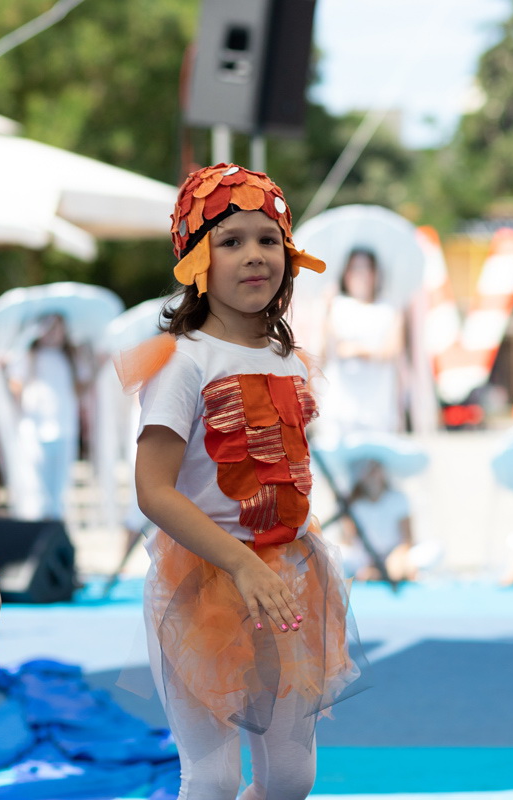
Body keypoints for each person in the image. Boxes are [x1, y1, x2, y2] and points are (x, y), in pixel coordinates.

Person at [116, 163, 363, 800]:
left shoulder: (287, 358)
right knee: (213, 777)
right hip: (201, 583)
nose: (254, 255)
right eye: (230, 241)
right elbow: (154, 489)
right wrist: (240, 565)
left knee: (290, 778)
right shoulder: (183, 360)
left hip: (288, 581)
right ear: (198, 261)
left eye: (267, 239)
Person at [5, 313, 81, 521]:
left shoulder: (69, 359)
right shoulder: (29, 356)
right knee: (36, 488)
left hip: (64, 428)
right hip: (34, 428)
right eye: (49, 327)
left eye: (58, 327)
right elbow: (16, 385)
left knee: (59, 489)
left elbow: (80, 388)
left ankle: (54, 536)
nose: (54, 332)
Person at [321, 247, 406, 434]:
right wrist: (325, 310)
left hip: (377, 409)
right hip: (340, 409)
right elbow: (325, 350)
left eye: (366, 268)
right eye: (355, 268)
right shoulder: (336, 306)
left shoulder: (389, 308)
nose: (361, 274)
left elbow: (392, 350)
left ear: (376, 273)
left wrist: (359, 350)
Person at [339, 458, 416, 583]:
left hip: (394, 556)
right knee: (338, 557)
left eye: (377, 468)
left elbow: (407, 539)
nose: (374, 474)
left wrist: (397, 558)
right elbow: (348, 542)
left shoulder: (398, 498)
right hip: (363, 559)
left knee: (433, 552)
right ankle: (376, 574)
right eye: (369, 469)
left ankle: (388, 573)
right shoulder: (352, 503)